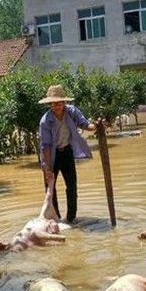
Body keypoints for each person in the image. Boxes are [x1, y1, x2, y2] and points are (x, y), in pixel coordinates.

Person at [38, 85, 97, 223]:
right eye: (53, 104)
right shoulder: (45, 121)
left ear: (64, 103)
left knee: (72, 186)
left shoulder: (72, 112)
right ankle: (55, 219)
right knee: (50, 189)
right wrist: (47, 168)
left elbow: (84, 124)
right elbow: (45, 146)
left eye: (59, 103)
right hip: (51, 156)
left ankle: (71, 218)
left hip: (66, 152)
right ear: (50, 105)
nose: (56, 106)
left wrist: (94, 127)